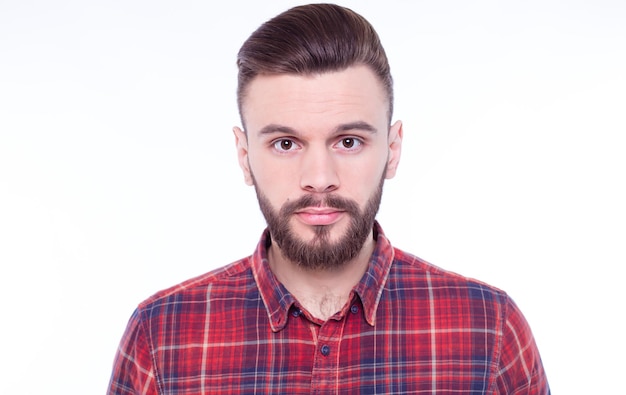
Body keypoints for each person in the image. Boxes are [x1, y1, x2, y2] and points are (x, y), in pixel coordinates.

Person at [108, 3, 550, 394]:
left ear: (392, 151)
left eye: (349, 141)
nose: (319, 179)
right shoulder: (161, 336)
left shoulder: (489, 331)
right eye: (285, 143)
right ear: (245, 158)